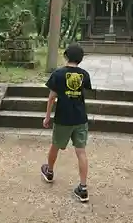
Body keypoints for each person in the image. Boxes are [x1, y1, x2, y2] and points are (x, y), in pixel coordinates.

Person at [40, 43, 92, 203]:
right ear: (80, 59)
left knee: (55, 145)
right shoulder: (84, 74)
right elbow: (83, 93)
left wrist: (47, 116)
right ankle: (83, 188)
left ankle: (49, 172)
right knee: (81, 152)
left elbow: (51, 97)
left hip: (63, 117)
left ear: (66, 56)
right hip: (80, 118)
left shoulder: (58, 74)